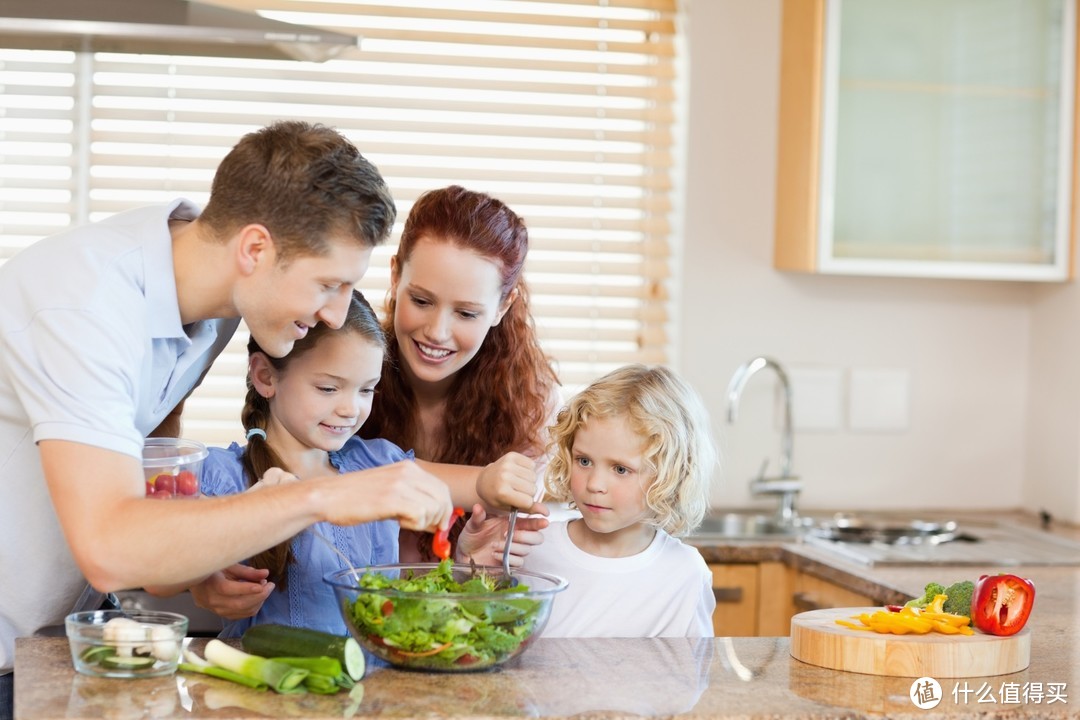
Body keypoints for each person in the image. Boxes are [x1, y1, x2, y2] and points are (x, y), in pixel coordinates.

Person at [0, 120, 457, 716]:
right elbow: (110, 545)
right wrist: (323, 496)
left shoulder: (212, 303)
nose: (334, 313)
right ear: (256, 249)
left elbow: (151, 481)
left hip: (61, 640)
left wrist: (196, 569)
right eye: (329, 284)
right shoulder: (84, 309)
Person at [188, 291, 529, 635]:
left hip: (377, 681)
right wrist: (201, 579)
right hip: (267, 684)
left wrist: (499, 481)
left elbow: (478, 486)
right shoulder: (222, 474)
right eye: (328, 388)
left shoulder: (377, 463)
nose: (350, 409)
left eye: (366, 390)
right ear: (265, 376)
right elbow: (166, 549)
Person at [359, 185, 562, 562]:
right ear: (395, 276)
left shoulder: (532, 404)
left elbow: (485, 588)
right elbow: (329, 481)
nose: (437, 331)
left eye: (467, 313)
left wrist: (470, 566)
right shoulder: (345, 367)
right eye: (421, 300)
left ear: (504, 306)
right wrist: (478, 485)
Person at [522, 364, 719, 638]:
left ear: (671, 474)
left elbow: (689, 672)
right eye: (584, 461)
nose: (594, 484)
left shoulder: (685, 573)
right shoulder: (532, 548)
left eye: (620, 469)